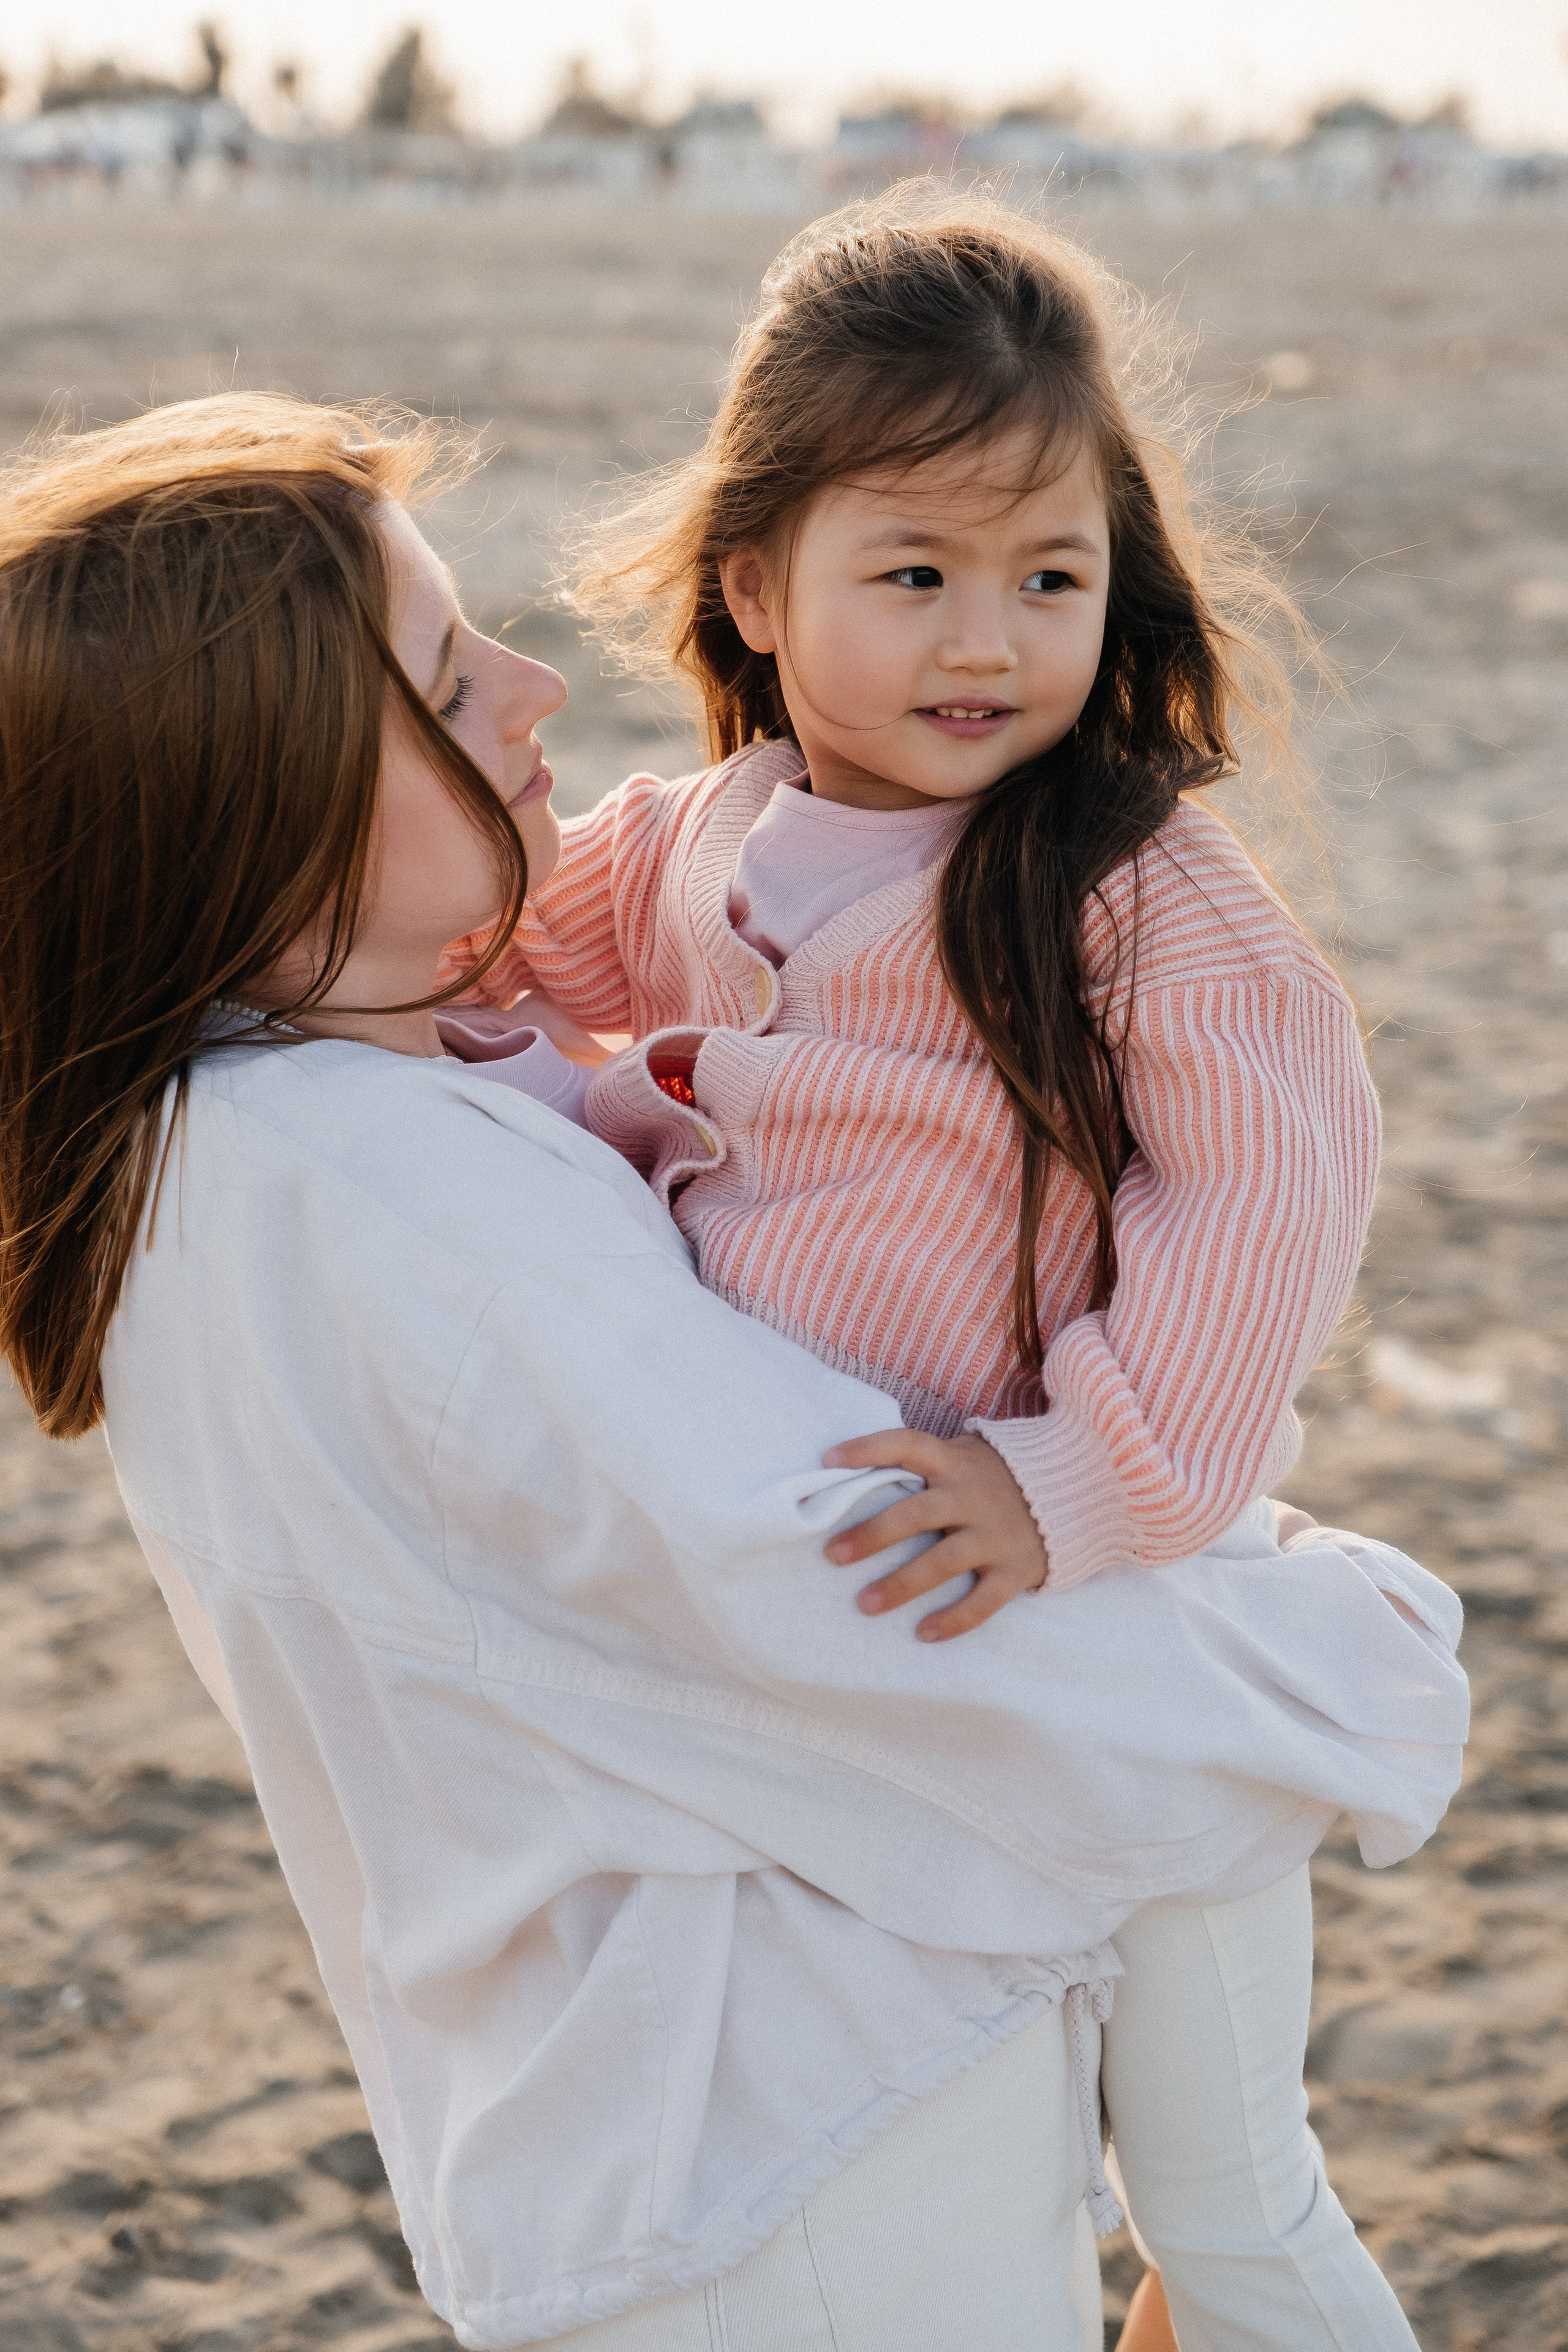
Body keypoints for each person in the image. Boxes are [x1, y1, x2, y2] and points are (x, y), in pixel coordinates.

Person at [0, 394, 1465, 2352]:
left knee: (1235, 2230)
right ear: (250, 796)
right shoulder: (390, 1207)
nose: (531, 686)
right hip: (794, 2166)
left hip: (707, 2104)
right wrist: (1338, 1650)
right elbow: (866, 1601)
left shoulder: (299, 1105)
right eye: (444, 668)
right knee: (1252, 2220)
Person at [439, 192, 1453, 2348]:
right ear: (756, 587)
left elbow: (1264, 1205)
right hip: (890, 1655)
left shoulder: (1130, 883)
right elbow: (492, 960)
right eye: (913, 577)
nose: (986, 640)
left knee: (1228, 2196)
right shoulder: (695, 839)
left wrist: (1082, 1482)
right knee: (1003, 2171)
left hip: (1119, 1624)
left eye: (1049, 578)